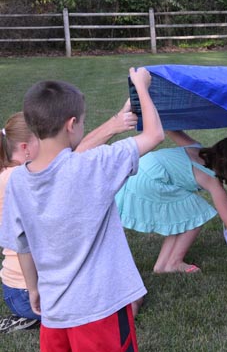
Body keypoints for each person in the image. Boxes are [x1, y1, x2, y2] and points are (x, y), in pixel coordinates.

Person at [0, 68, 164, 352]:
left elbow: (20, 244)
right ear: (73, 124)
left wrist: (33, 290)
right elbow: (154, 134)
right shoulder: (94, 165)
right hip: (100, 304)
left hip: (55, 308)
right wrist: (141, 87)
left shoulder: (17, 183)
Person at [0, 104, 139, 334]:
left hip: (24, 287)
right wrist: (114, 124)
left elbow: (72, 161)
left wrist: (116, 123)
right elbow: (75, 162)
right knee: (127, 302)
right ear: (26, 147)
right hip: (28, 292)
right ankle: (35, 318)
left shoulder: (17, 174)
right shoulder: (19, 178)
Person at [115, 130, 227, 275]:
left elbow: (171, 130)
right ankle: (173, 263)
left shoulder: (196, 147)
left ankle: (162, 265)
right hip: (149, 181)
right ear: (224, 162)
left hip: (141, 170)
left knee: (183, 214)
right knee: (197, 212)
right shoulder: (211, 180)